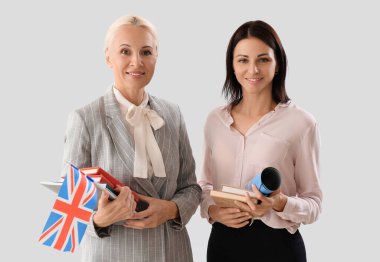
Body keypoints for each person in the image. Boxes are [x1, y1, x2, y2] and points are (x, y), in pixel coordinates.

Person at [62, 15, 201, 262]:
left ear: (156, 56)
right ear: (108, 57)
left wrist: (171, 209)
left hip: (173, 253)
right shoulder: (85, 119)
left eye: (146, 52)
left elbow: (190, 187)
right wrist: (101, 219)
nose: (136, 62)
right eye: (125, 51)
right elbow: (67, 219)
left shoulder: (173, 114)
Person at [199, 20, 322, 262]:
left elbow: (314, 204)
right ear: (232, 66)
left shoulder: (301, 123)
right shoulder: (215, 120)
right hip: (223, 244)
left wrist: (279, 203)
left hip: (278, 248)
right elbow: (203, 185)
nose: (253, 70)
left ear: (277, 65)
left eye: (263, 59)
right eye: (243, 60)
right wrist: (213, 210)